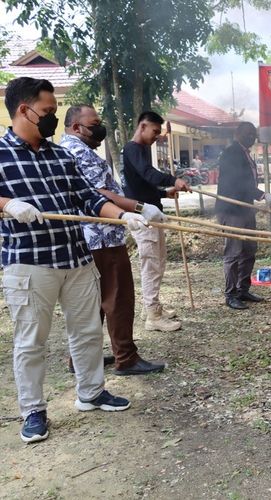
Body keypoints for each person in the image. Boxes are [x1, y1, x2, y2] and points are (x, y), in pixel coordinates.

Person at [0, 77, 138, 443]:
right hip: (29, 263)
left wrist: (122, 215)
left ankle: (91, 392)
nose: (51, 119)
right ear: (23, 110)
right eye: (46, 111)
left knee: (88, 331)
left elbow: (89, 199)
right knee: (31, 341)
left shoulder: (60, 154)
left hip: (75, 257)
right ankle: (32, 410)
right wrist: (8, 204)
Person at [60, 104, 166, 375]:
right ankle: (126, 358)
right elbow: (100, 194)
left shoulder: (65, 149)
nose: (100, 126)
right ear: (76, 127)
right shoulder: (79, 152)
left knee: (92, 300)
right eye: (94, 122)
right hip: (102, 236)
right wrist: (139, 208)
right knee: (118, 297)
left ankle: (81, 357)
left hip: (88, 238)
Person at [121, 111, 191, 331]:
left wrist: (164, 193)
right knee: (151, 265)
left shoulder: (141, 149)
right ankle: (153, 316)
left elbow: (143, 185)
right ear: (142, 126)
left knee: (158, 263)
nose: (156, 136)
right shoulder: (132, 149)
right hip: (144, 217)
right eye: (154, 131)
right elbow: (147, 174)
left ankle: (151, 306)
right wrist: (173, 179)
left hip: (151, 212)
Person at [216, 122, 271, 310]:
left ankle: (243, 289)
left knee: (249, 249)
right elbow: (237, 182)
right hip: (232, 210)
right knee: (233, 252)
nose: (251, 137)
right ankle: (230, 294)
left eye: (253, 135)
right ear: (237, 133)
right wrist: (261, 194)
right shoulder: (232, 153)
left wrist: (257, 196)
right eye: (248, 134)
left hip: (246, 208)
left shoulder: (246, 153)